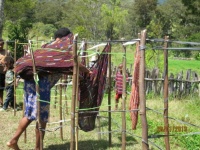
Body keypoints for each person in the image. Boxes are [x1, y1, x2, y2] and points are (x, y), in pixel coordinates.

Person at [7, 27, 91, 150]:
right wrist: (87, 71)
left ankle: (16, 141)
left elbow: (61, 66)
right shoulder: (60, 48)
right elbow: (72, 62)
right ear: (65, 37)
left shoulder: (47, 46)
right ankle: (35, 147)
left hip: (31, 80)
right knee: (41, 117)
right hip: (42, 83)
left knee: (30, 114)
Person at [0, 38, 7, 107]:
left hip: (3, 73)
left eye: (1, 45)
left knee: (2, 88)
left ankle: (2, 102)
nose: (0, 46)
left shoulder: (6, 52)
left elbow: (10, 61)